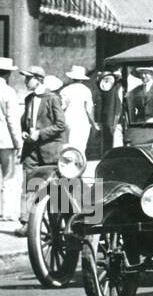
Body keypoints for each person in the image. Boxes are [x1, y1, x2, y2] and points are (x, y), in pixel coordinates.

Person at [18, 65, 67, 235]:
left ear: (38, 80)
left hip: (50, 150)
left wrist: (40, 134)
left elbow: (61, 125)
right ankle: (26, 223)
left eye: (28, 78)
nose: (25, 81)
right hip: (31, 150)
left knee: (55, 187)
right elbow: (26, 122)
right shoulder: (28, 99)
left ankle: (59, 223)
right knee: (28, 185)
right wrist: (25, 132)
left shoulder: (52, 99)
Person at [0, 58, 24, 229]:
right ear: (7, 73)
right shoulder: (8, 92)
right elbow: (12, 121)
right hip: (5, 139)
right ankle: (7, 212)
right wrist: (19, 143)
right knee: (8, 175)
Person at [61, 64, 97, 159]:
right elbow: (89, 109)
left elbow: (62, 106)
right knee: (80, 146)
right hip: (81, 119)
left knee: (69, 144)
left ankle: (68, 167)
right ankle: (79, 166)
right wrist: (94, 123)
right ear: (82, 79)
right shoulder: (86, 90)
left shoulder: (65, 90)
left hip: (68, 118)